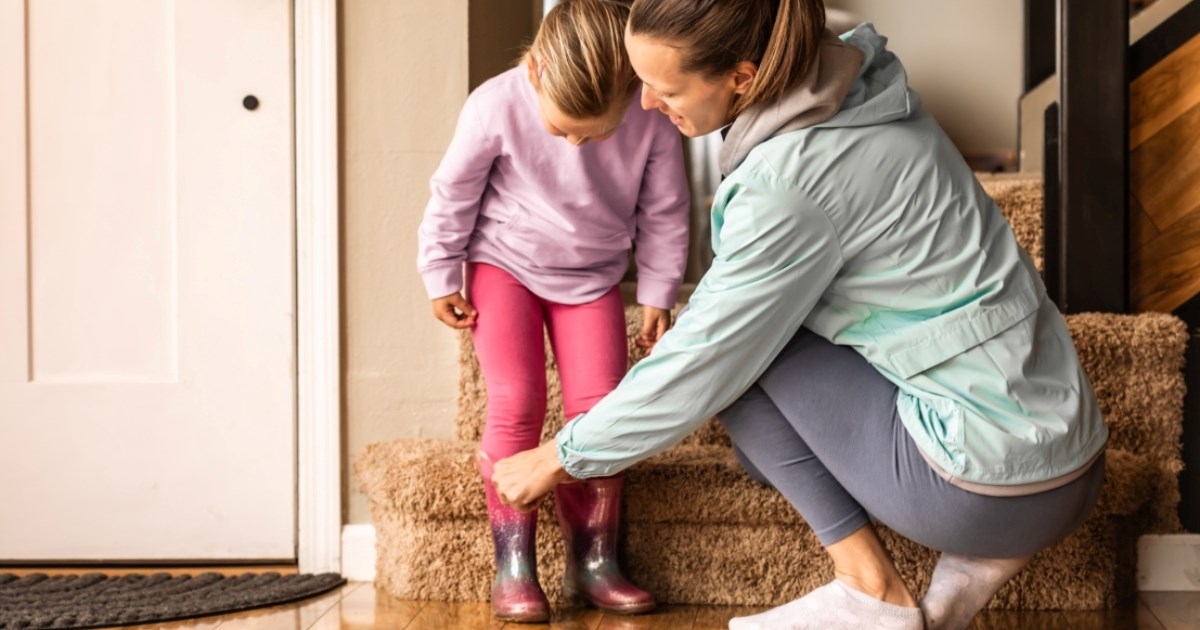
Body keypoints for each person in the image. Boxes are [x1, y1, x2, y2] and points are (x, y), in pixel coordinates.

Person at [489, 1, 1108, 629]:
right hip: (1072, 458)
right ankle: (971, 570)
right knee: (753, 337)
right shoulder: (868, 89)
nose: (645, 104)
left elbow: (705, 357)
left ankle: (870, 590)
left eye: (666, 87)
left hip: (984, 490)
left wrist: (560, 456)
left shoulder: (789, 184)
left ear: (743, 77)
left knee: (736, 353)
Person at [416, 0, 690, 623]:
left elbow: (667, 209)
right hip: (502, 265)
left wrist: (658, 290)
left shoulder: (651, 118)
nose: (574, 145)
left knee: (601, 411)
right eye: (563, 129)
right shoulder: (495, 103)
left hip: (592, 277)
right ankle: (514, 566)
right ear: (536, 71)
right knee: (517, 403)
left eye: (593, 135)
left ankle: (594, 563)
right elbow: (452, 194)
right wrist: (440, 272)